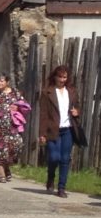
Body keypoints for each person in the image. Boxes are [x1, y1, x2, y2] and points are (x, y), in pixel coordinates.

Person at [38, 65, 79, 198]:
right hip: (52, 129)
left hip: (68, 129)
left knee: (65, 159)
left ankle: (61, 187)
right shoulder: (47, 92)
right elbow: (43, 114)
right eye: (60, 77)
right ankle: (51, 177)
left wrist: (77, 112)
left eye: (64, 77)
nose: (62, 80)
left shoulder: (71, 91)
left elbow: (78, 106)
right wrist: (42, 133)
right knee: (54, 157)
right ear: (54, 77)